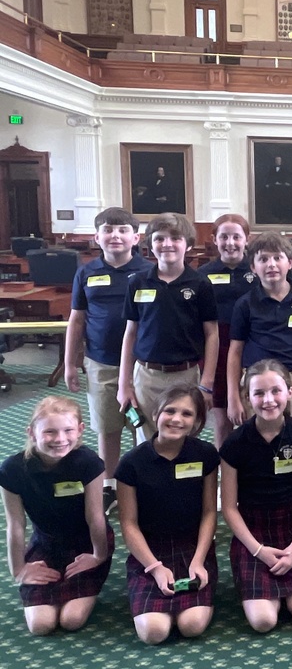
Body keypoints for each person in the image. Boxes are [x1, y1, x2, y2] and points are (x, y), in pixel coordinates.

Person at [219, 360, 292, 632]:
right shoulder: (234, 444)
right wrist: (258, 550)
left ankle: (286, 593)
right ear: (247, 397)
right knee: (263, 621)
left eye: (276, 391)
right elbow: (229, 507)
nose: (268, 400)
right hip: (253, 533)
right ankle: (270, 595)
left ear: (289, 392)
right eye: (259, 393)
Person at [0, 396, 113, 635]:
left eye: (68, 430)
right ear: (32, 432)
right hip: (46, 543)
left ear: (80, 430)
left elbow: (96, 517)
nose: (60, 439)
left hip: (86, 543)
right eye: (50, 432)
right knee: (41, 625)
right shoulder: (12, 470)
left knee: (72, 620)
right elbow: (16, 525)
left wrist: (98, 556)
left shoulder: (89, 463)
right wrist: (19, 569)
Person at [115, 385, 219, 644]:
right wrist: (154, 567)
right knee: (154, 632)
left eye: (187, 414)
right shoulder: (131, 462)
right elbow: (128, 523)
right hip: (149, 551)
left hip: (193, 548)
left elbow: (209, 512)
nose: (176, 419)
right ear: (156, 413)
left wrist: (198, 561)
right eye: (170, 411)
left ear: (197, 422)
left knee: (192, 625)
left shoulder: (205, 455)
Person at [64, 206, 149, 515]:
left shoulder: (148, 272)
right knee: (108, 427)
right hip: (100, 363)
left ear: (135, 237)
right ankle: (109, 486)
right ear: (96, 237)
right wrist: (70, 363)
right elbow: (77, 320)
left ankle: (144, 482)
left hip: (143, 365)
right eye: (108, 230)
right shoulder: (86, 272)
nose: (115, 235)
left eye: (123, 230)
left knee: (144, 428)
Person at [118, 213, 218, 440]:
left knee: (185, 436)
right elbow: (130, 333)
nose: (167, 244)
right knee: (146, 440)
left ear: (188, 245)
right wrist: (124, 384)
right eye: (159, 239)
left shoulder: (200, 284)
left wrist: (207, 383)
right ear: (150, 245)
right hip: (146, 375)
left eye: (175, 238)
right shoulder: (137, 282)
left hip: (186, 374)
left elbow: (212, 334)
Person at [227, 232, 292, 430]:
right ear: (253, 267)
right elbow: (235, 350)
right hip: (256, 382)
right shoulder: (245, 304)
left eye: (277, 258)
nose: (271, 264)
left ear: (289, 263)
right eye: (263, 259)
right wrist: (233, 397)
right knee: (256, 441)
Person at [197, 213, 259, 449]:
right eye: (224, 236)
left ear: (247, 239)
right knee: (223, 418)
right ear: (214, 239)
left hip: (254, 344)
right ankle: (226, 472)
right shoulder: (202, 274)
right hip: (218, 348)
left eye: (236, 236)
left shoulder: (259, 268)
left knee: (255, 414)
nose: (230, 242)